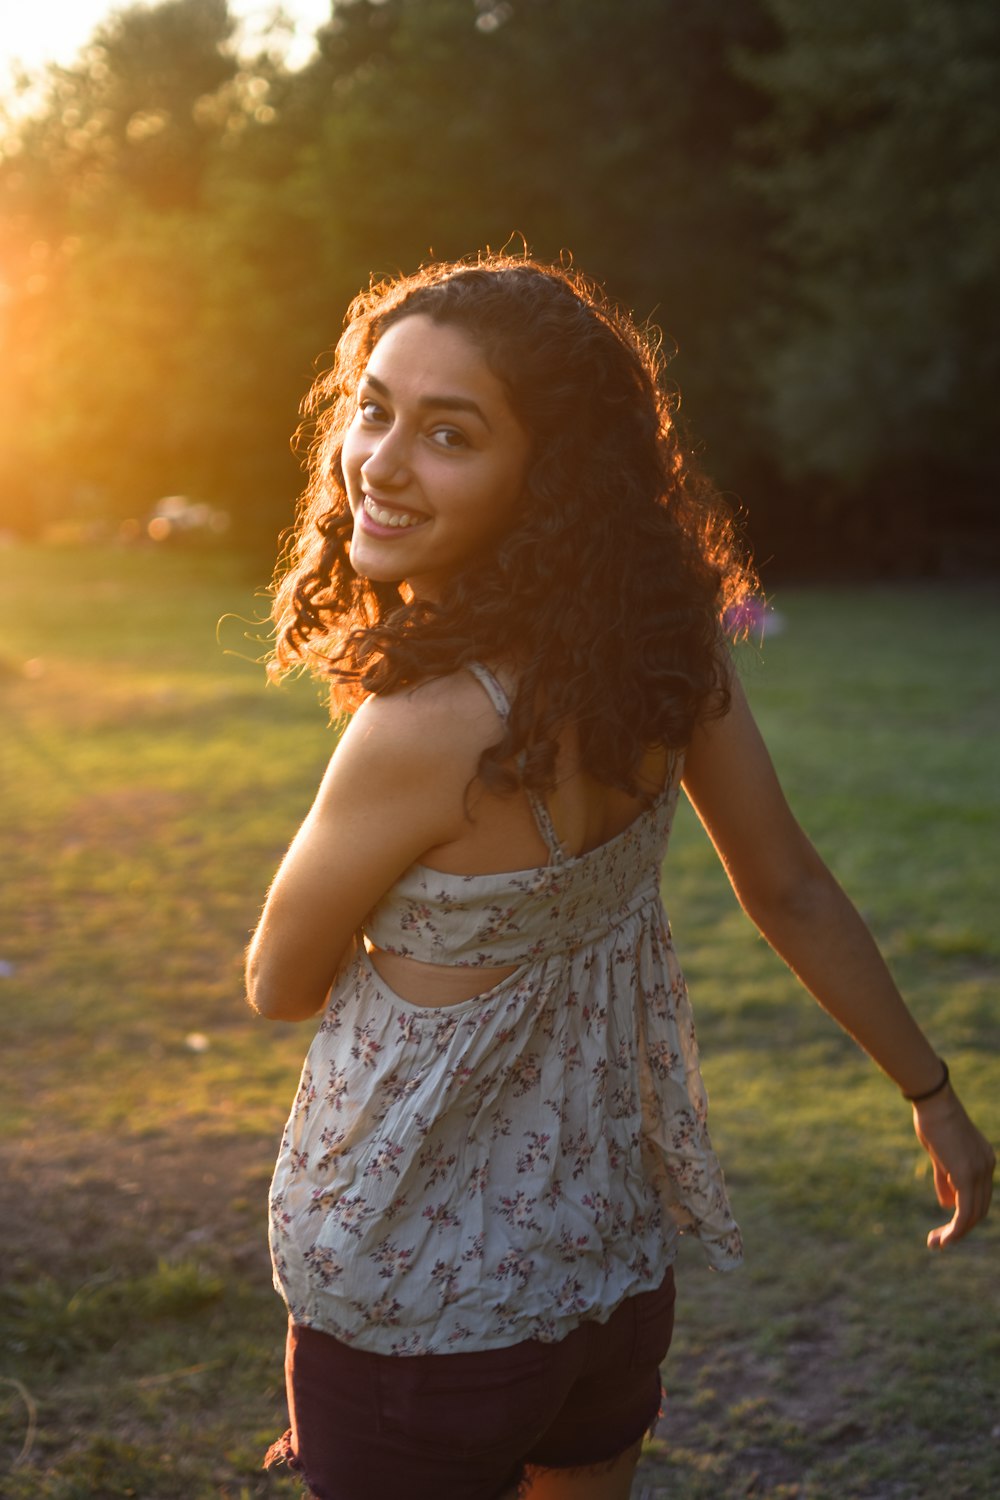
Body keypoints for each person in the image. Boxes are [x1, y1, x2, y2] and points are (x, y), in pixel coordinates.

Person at [246, 253, 994, 1500]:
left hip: (409, 1299)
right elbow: (790, 888)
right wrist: (934, 1093)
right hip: (600, 1271)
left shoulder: (425, 720)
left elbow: (277, 982)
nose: (378, 462)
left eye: (449, 434)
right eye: (372, 409)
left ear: (549, 478)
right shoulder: (662, 663)